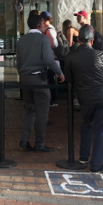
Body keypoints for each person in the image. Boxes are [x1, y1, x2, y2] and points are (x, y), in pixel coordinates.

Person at [64, 26, 103, 173]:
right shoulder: (101, 55)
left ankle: (83, 157)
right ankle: (96, 165)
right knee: (101, 130)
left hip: (84, 97)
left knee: (86, 124)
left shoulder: (71, 57)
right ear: (93, 40)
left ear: (78, 40)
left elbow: (69, 79)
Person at [15, 14, 64, 152]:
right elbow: (49, 60)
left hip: (25, 78)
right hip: (39, 79)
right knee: (42, 112)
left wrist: (22, 74)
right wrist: (60, 73)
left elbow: (18, 62)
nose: (44, 27)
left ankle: (24, 140)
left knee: (30, 110)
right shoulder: (43, 39)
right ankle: (40, 143)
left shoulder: (22, 40)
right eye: (43, 24)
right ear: (39, 25)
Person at [41, 12, 60, 106]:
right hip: (52, 58)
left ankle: (53, 99)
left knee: (50, 78)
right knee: (50, 78)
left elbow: (55, 44)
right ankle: (52, 99)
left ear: (44, 20)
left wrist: (47, 46)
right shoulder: (49, 29)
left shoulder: (49, 30)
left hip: (52, 58)